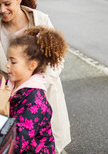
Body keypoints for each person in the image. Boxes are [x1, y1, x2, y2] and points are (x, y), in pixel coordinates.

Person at [0, 0, 71, 153]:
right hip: (10, 97)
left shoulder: (40, 21)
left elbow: (57, 58)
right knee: (20, 141)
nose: (2, 10)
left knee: (45, 142)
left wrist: (35, 86)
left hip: (41, 93)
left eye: (7, 4)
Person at [7, 26, 67, 154]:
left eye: (13, 62)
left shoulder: (34, 101)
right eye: (8, 60)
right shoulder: (13, 85)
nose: (7, 65)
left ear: (32, 65)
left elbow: (17, 142)